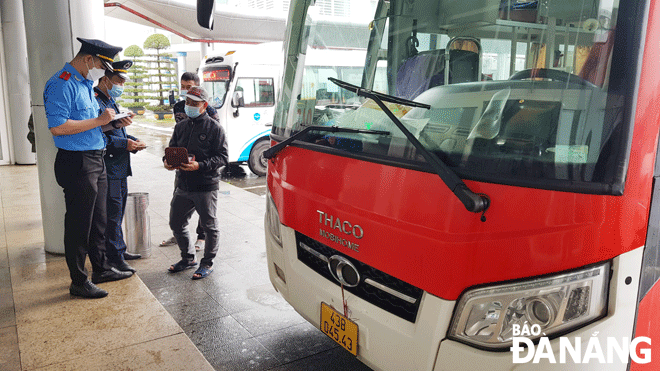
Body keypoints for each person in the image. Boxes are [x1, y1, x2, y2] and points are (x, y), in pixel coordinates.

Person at [44, 37, 133, 299]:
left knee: (100, 220)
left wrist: (113, 124)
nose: (103, 73)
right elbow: (58, 127)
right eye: (101, 67)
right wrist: (98, 120)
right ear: (87, 59)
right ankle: (78, 281)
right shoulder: (60, 83)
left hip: (96, 157)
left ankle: (102, 268)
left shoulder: (85, 83)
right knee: (79, 224)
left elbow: (93, 123)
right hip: (77, 162)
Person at [164, 86, 228, 280]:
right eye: (187, 102)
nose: (189, 106)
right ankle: (188, 258)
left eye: (194, 103)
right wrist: (167, 162)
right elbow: (171, 149)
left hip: (205, 185)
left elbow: (223, 157)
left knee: (209, 226)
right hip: (183, 184)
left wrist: (199, 165)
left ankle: (207, 263)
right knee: (176, 222)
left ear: (204, 106)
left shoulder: (214, 128)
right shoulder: (181, 126)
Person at [95, 60, 147, 274]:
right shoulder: (96, 102)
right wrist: (124, 144)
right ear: (106, 80)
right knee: (112, 214)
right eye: (119, 82)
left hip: (119, 168)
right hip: (108, 167)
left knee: (117, 211)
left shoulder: (109, 100)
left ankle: (120, 249)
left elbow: (116, 131)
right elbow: (97, 136)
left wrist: (132, 141)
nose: (122, 87)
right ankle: (114, 257)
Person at [160, 72, 220, 250]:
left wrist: (200, 165)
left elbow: (218, 150)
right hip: (182, 172)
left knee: (207, 215)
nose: (185, 92)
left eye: (189, 87)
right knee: (177, 214)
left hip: (204, 175)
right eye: (183, 87)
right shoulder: (179, 107)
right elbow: (175, 140)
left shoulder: (210, 115)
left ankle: (202, 239)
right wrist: (168, 160)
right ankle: (180, 240)